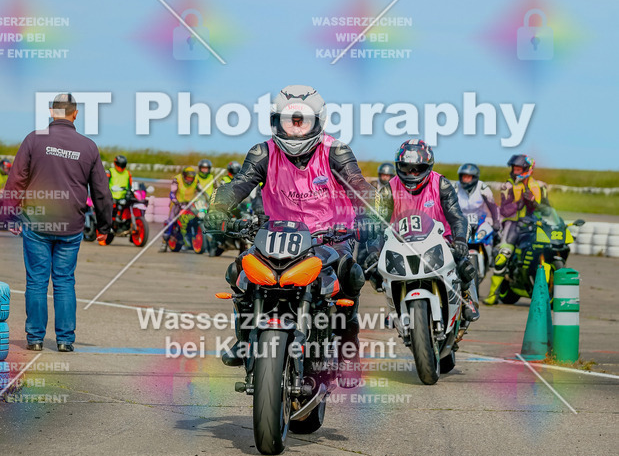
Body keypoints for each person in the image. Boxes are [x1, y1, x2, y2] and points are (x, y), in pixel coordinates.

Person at [207, 85, 374, 377]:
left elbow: (358, 184)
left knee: (350, 273)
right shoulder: (263, 152)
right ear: (276, 121)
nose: (295, 128)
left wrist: (376, 208)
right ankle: (245, 338)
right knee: (239, 272)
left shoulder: (335, 151)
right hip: (275, 238)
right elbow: (239, 183)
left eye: (303, 121)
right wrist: (219, 208)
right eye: (289, 120)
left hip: (327, 238)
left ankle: (348, 344)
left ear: (317, 122)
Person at [4, 93, 112, 351]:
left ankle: (35, 339)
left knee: (37, 281)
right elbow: (101, 192)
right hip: (71, 226)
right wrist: (104, 228)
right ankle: (64, 340)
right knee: (64, 281)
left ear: (52, 113)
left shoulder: (33, 139)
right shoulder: (88, 147)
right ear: (75, 114)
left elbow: (16, 179)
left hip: (37, 223)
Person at [371, 140, 479, 321]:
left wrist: (460, 239)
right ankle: (394, 306)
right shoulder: (388, 190)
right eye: (406, 168)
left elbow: (456, 216)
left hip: (441, 239)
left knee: (463, 263)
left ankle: (466, 296)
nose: (411, 173)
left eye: (417, 168)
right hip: (402, 243)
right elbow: (376, 225)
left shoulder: (441, 184)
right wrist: (374, 251)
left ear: (427, 166)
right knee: (376, 272)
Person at [485, 154, 547, 305]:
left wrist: (534, 203)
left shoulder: (540, 186)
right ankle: (493, 294)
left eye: (519, 169)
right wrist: (519, 202)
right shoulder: (508, 186)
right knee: (503, 256)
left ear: (527, 169)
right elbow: (505, 210)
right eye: (514, 169)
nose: (515, 172)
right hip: (513, 225)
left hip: (534, 224)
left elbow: (547, 208)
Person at [162, 164, 200, 251]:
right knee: (171, 220)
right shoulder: (177, 179)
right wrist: (175, 201)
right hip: (177, 204)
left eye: (191, 177)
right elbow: (172, 193)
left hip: (190, 204)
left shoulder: (196, 180)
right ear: (184, 176)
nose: (190, 179)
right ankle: (164, 242)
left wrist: (206, 198)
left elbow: (201, 191)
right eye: (188, 177)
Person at [455, 163, 501, 234]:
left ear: (474, 177)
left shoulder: (482, 187)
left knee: (493, 231)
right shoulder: (455, 187)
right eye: (464, 177)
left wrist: (496, 221)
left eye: (468, 177)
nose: (466, 180)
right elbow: (446, 206)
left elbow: (493, 206)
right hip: (460, 221)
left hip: (481, 220)